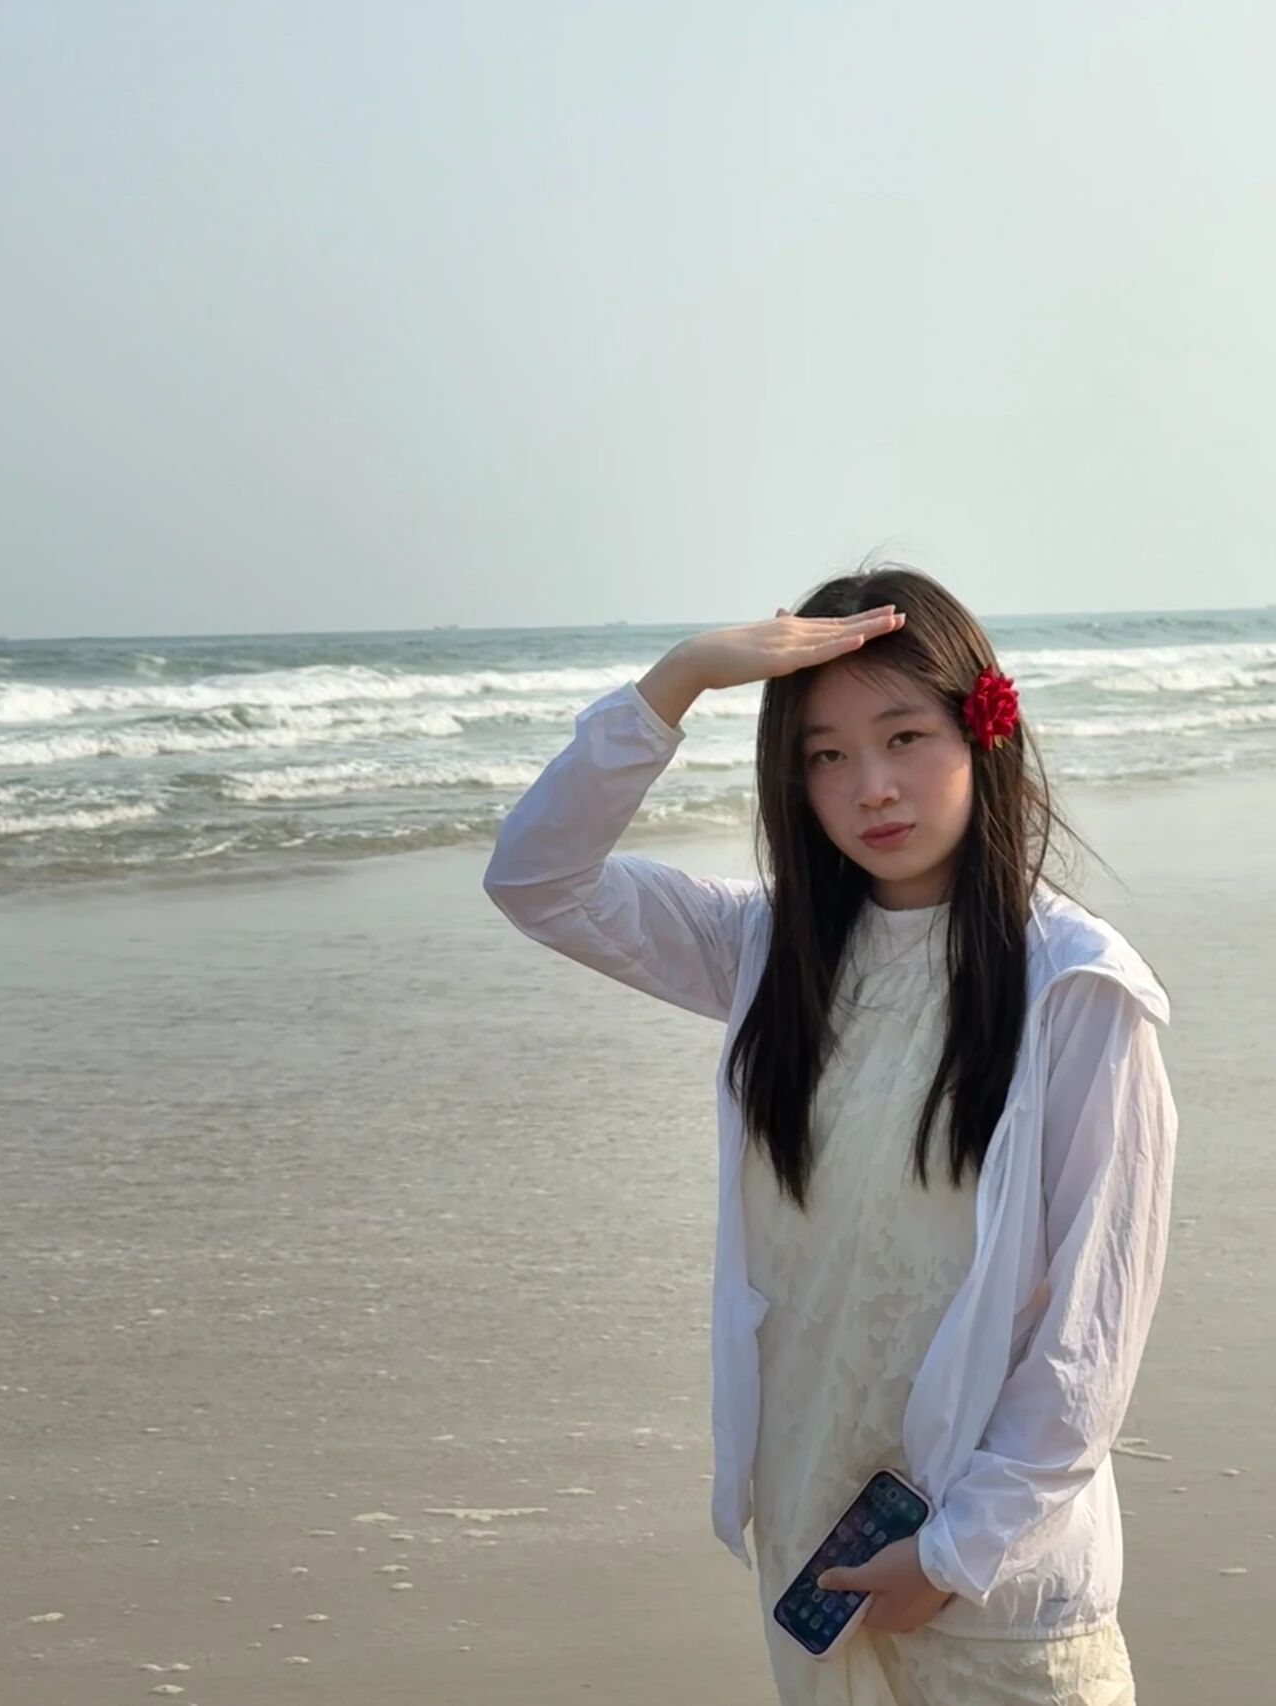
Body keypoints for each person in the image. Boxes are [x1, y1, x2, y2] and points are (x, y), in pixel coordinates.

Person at [482, 563, 1178, 1704]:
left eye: (904, 737)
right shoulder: (767, 952)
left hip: (991, 1580)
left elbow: (1091, 1329)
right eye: (826, 755)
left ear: (981, 732)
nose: (872, 788)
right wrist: (679, 680)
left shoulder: (1074, 986)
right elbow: (536, 878)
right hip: (816, 1550)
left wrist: (952, 1553)